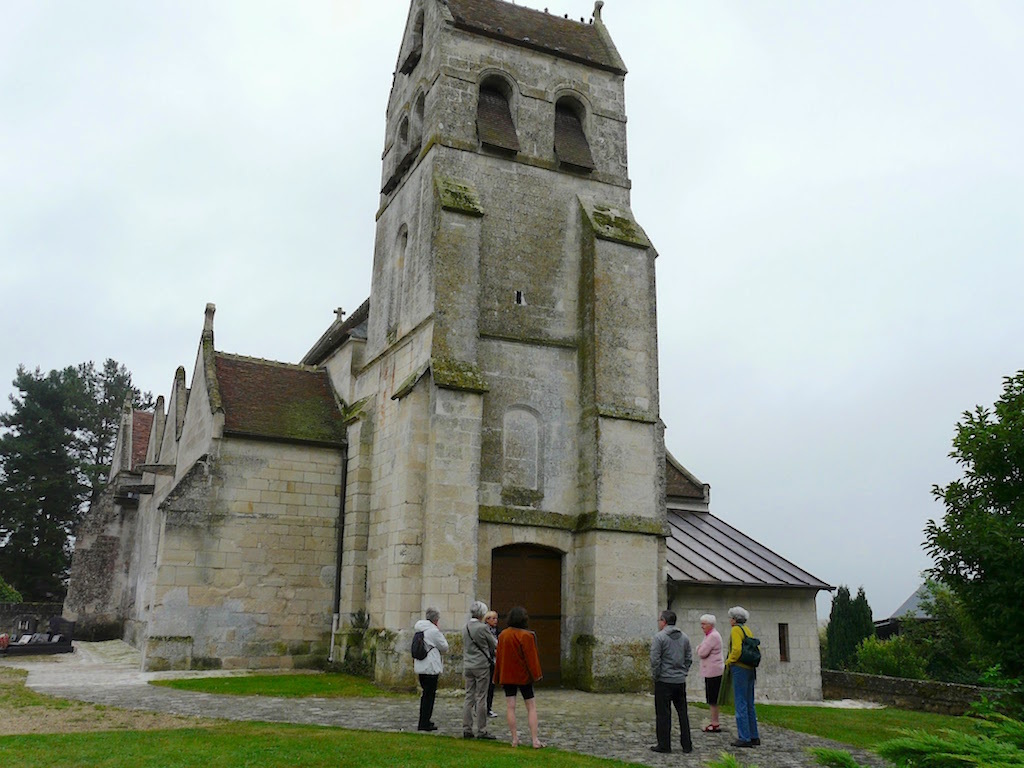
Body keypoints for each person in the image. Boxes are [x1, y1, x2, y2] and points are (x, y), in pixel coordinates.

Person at [493, 605, 544, 748]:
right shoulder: (527, 636)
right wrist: (536, 675)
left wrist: (497, 676)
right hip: (523, 677)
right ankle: (535, 740)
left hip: (508, 676)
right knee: (531, 707)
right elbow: (531, 658)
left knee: (510, 707)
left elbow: (500, 657)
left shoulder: (503, 635)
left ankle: (514, 739)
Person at [649, 609, 693, 754]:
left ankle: (664, 744)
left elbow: (655, 659)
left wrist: (656, 675)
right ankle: (687, 744)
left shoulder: (659, 638)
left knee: (663, 713)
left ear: (664, 621)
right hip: (680, 681)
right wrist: (683, 672)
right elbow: (688, 658)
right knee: (682, 713)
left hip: (664, 680)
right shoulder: (685, 637)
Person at [462, 600, 498, 739]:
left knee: (469, 696)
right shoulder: (483, 628)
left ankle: (467, 728)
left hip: (468, 665)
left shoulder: (465, 627)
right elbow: (494, 644)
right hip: (481, 665)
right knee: (481, 697)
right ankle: (482, 730)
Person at [726, 606, 760, 748]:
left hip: (739, 668)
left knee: (740, 702)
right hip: (750, 669)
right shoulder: (747, 629)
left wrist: (729, 661)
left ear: (734, 619)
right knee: (749, 702)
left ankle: (744, 737)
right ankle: (754, 735)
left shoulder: (735, 630)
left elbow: (737, 649)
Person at [413, 607, 449, 732]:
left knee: (425, 694)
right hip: (431, 667)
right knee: (429, 695)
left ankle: (424, 720)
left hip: (420, 666)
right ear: (435, 619)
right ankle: (424, 722)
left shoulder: (419, 629)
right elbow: (444, 646)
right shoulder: (433, 631)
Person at [696, 613, 724, 733]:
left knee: (713, 698)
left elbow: (702, 652)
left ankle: (715, 722)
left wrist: (698, 648)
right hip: (712, 671)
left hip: (714, 671)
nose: (702, 626)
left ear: (710, 625)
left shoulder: (712, 636)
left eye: (704, 624)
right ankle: (714, 721)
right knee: (712, 698)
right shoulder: (710, 635)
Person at [484, 609, 499, 717]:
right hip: (487, 660)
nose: (495, 620)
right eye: (493, 618)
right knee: (486, 686)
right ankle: (484, 708)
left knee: (491, 686)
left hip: (494, 661)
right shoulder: (485, 631)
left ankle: (488, 707)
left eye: (496, 618)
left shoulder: (496, 631)